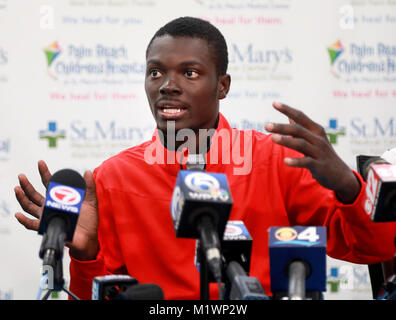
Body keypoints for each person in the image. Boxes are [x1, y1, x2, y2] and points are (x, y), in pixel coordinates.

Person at [14, 17, 396, 300]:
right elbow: (97, 294)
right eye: (155, 72)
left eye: (190, 72)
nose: (168, 85)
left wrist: (348, 187)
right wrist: (85, 256)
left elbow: (375, 250)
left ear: (222, 85)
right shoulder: (112, 178)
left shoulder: (278, 160)